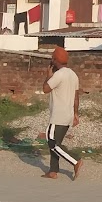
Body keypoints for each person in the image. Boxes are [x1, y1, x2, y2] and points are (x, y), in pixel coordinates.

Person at [42, 47, 81, 181]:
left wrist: (48, 75)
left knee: (52, 142)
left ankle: (75, 161)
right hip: (68, 114)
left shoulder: (58, 75)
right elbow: (76, 97)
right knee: (56, 143)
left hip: (58, 115)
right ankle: (53, 171)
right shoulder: (73, 75)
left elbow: (45, 89)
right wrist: (75, 114)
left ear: (55, 60)